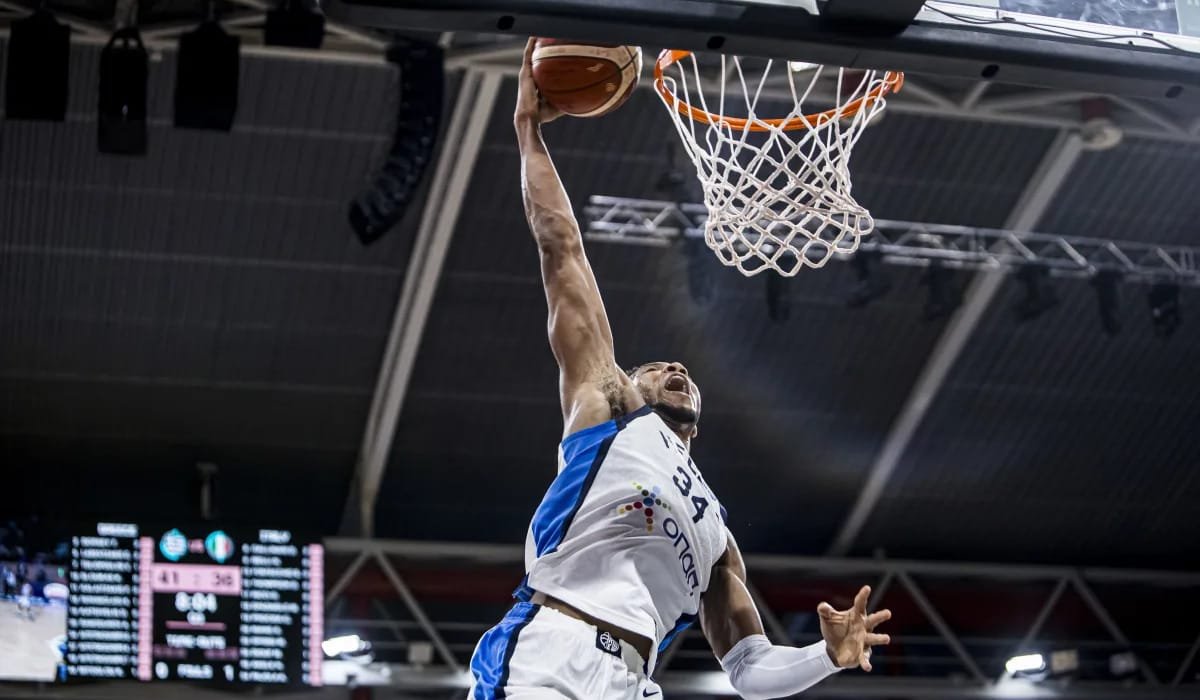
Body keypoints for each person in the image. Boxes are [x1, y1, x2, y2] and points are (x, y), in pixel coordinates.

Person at [466, 40, 892, 700]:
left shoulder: (716, 533)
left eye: (679, 366)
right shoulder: (610, 410)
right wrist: (528, 131)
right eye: (652, 366)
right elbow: (562, 250)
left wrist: (826, 656)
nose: (674, 365)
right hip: (552, 652)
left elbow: (749, 668)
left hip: (633, 682)